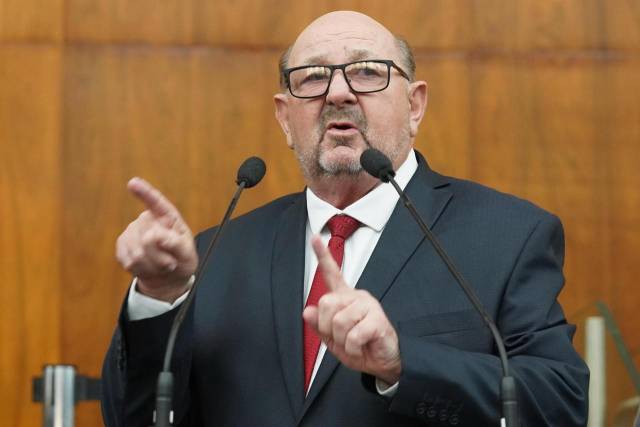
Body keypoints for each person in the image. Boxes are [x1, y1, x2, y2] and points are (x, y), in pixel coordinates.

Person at [101, 11, 589, 427]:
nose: (338, 92)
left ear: (415, 105)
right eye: (313, 77)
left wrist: (402, 363)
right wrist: (159, 298)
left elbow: (560, 404)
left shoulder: (507, 235)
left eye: (368, 72)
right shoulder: (215, 254)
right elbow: (134, 417)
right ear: (284, 118)